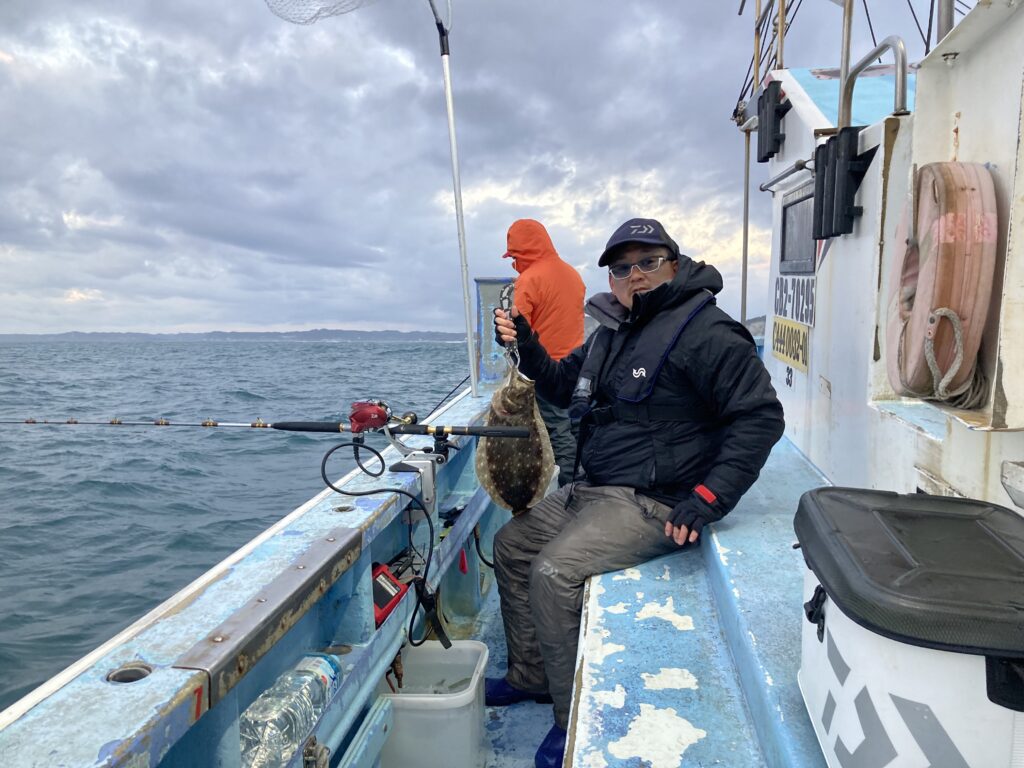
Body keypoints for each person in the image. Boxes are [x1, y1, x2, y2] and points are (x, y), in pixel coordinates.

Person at [487, 217, 785, 768]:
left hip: (655, 500)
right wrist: (527, 346)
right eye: (622, 268)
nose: (635, 275)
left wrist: (710, 498)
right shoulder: (612, 333)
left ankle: (567, 716)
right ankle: (529, 675)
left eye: (648, 262)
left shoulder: (708, 334)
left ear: (674, 263)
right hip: (595, 488)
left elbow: (760, 417)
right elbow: (556, 383)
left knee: (553, 572)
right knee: (512, 546)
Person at [501, 218, 585, 486]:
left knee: (556, 432)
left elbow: (516, 332)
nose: (514, 262)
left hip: (545, 372)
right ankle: (582, 483)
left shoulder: (528, 279)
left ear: (521, 252)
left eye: (514, 256)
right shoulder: (572, 273)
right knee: (574, 429)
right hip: (577, 367)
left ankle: (569, 493)